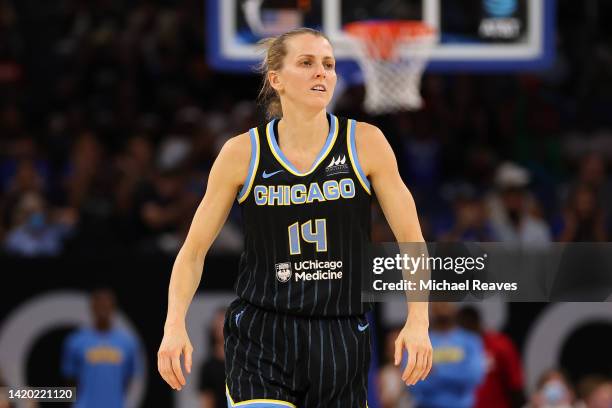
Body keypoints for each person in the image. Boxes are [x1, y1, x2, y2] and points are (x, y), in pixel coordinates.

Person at [157, 27, 432, 407]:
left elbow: (412, 241)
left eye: (329, 64)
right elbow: (192, 252)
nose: (321, 72)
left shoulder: (366, 143)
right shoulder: (242, 153)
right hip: (263, 332)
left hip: (340, 331)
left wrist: (418, 319)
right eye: (306, 63)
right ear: (276, 79)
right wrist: (174, 325)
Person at [61, 289, 141, 408]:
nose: (103, 310)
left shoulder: (128, 342)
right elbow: (69, 379)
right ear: (92, 308)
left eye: (106, 305)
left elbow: (128, 379)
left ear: (113, 308)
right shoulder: (75, 341)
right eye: (99, 306)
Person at [409, 302, 485, 408]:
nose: (442, 304)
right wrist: (457, 371)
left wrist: (436, 371)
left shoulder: (470, 340)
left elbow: (474, 377)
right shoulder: (418, 342)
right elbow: (413, 382)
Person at [457, 306, 524, 408]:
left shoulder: (500, 345)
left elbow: (515, 385)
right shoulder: (452, 349)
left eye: (469, 324)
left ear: (477, 323)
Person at [198, 308, 227, 408]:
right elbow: (207, 399)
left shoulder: (242, 362)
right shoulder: (208, 366)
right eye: (218, 323)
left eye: (224, 322)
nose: (221, 326)